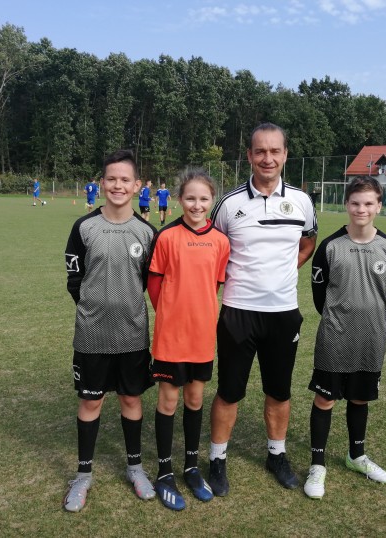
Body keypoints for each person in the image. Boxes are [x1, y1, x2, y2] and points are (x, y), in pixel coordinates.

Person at [207, 122, 318, 496]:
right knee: (229, 391)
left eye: (274, 151)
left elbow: (308, 242)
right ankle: (217, 460)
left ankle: (276, 455)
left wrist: (284, 272)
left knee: (279, 391)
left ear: (285, 154)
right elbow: (213, 251)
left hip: (284, 313)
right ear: (249, 155)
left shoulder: (302, 202)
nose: (267, 158)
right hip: (238, 311)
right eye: (260, 151)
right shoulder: (229, 204)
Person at [62, 149, 158, 512]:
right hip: (92, 335)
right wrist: (92, 309)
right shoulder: (83, 227)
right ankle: (82, 475)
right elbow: (74, 279)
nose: (118, 185)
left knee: (131, 399)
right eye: (111, 179)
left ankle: (135, 468)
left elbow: (151, 282)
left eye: (125, 180)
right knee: (91, 400)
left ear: (137, 186)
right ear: (102, 183)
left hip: (132, 334)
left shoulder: (147, 232)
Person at [304, 176, 386, 500]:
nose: (362, 209)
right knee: (325, 399)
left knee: (360, 398)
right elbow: (319, 295)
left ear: (379, 206)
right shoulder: (330, 246)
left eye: (369, 203)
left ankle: (356, 456)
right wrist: (338, 318)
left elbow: (385, 290)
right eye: (356, 203)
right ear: (346, 204)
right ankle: (317, 464)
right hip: (335, 335)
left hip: (371, 336)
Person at [147, 167, 230, 511]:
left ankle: (192, 467)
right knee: (168, 401)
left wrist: (198, 314)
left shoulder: (221, 241)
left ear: (212, 201)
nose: (197, 205)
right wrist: (172, 314)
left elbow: (215, 285)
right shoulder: (167, 236)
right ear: (180, 199)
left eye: (204, 199)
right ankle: (165, 471)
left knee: (195, 399)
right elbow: (154, 284)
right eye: (191, 198)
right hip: (171, 336)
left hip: (202, 336)